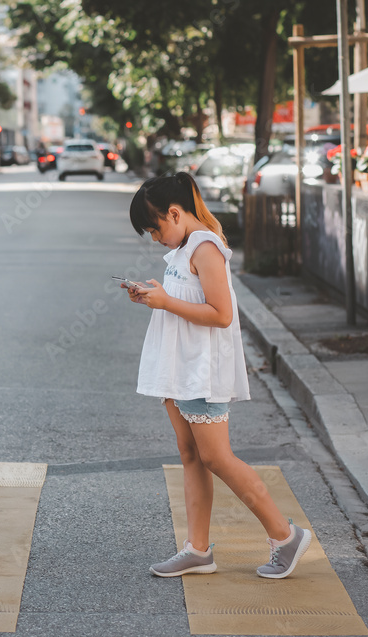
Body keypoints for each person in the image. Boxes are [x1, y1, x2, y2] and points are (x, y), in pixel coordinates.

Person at [124, 172, 312, 580]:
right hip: (179, 367)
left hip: (200, 370)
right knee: (190, 455)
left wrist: (166, 301)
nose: (155, 238)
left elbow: (221, 314)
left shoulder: (205, 247)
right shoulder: (183, 247)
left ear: (175, 213)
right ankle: (197, 550)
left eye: (155, 228)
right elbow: (185, 297)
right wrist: (155, 295)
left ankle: (285, 536)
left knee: (216, 457)